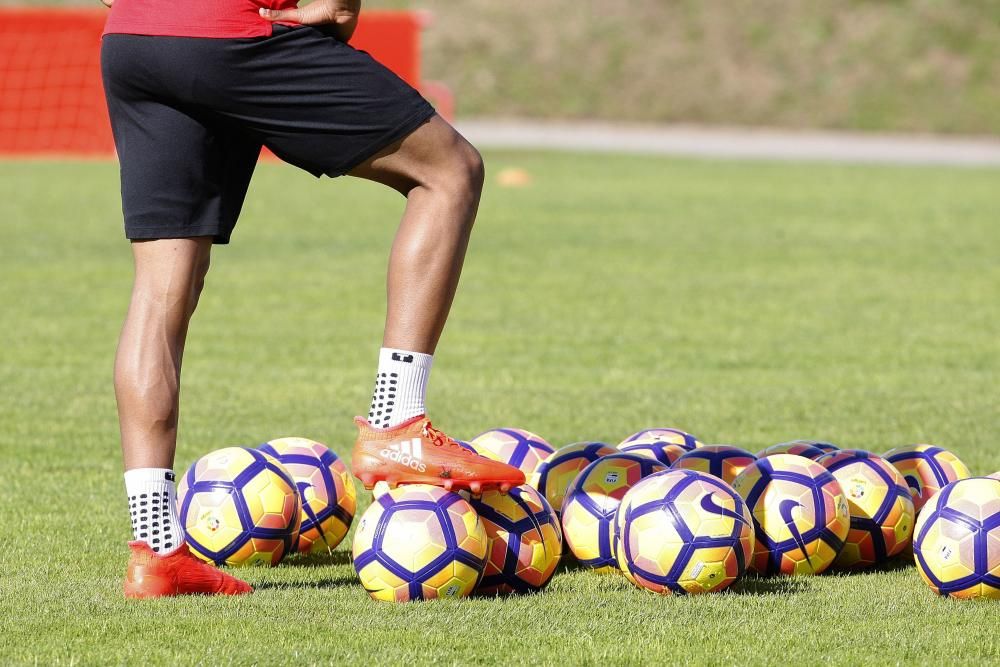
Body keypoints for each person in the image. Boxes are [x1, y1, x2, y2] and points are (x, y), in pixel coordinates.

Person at [101, 0, 525, 599]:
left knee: (161, 289)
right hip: (233, 33)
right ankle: (396, 420)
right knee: (449, 172)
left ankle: (156, 551)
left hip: (133, 38)